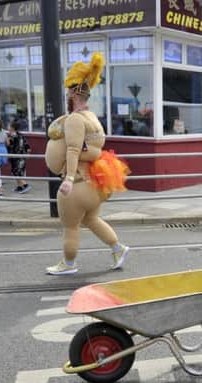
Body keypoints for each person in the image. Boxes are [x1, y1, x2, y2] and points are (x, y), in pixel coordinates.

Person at [44, 52, 130, 275]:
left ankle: (68, 265)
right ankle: (118, 249)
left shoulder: (75, 119)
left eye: (68, 92)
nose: (66, 95)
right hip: (93, 184)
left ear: (73, 93)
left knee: (71, 227)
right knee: (91, 219)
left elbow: (73, 149)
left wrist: (69, 179)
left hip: (77, 183)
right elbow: (92, 150)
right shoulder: (93, 118)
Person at [8, 121, 32, 194]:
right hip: (22, 156)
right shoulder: (21, 135)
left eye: (9, 126)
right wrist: (28, 154)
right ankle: (19, 186)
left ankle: (25, 185)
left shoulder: (12, 136)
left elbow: (9, 145)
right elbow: (27, 146)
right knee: (17, 171)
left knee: (16, 172)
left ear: (12, 128)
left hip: (16, 157)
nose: (8, 127)